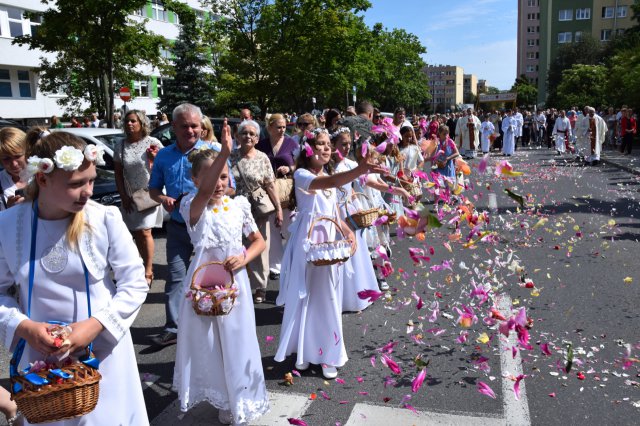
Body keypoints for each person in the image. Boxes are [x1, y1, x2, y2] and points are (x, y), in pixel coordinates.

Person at [0, 130, 149, 424]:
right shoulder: (8, 224)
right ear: (42, 179)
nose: (89, 191)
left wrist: (94, 326)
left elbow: (134, 283)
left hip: (104, 354)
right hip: (43, 360)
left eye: (91, 180)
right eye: (76, 184)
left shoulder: (104, 218)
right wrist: (24, 326)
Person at [173, 123, 269, 425]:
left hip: (233, 283)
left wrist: (243, 259)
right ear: (196, 179)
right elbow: (204, 192)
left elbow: (258, 242)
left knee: (237, 338)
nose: (218, 183)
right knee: (208, 344)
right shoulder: (190, 204)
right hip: (202, 285)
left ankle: (241, 396)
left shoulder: (238, 205)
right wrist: (225, 153)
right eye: (212, 176)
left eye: (224, 176)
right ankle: (221, 395)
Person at [275, 128, 384, 379]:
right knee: (306, 297)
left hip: (330, 241)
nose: (325, 149)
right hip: (308, 240)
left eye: (327, 145)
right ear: (308, 150)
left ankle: (328, 355)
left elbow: (335, 210)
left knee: (328, 298)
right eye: (320, 144)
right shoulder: (301, 174)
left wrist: (347, 232)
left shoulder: (329, 175)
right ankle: (304, 352)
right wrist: (360, 170)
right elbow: (332, 184)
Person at [149, 103, 235, 346]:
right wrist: (162, 198)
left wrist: (208, 194)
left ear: (201, 126)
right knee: (176, 277)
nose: (190, 131)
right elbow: (154, 188)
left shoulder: (214, 152)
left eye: (194, 126)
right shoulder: (164, 155)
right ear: (174, 127)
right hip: (177, 227)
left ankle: (210, 318)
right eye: (184, 126)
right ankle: (173, 328)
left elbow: (231, 187)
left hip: (206, 228)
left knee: (210, 277)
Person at [231, 120, 282, 303]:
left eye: (252, 134)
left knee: (260, 248)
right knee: (237, 246)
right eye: (244, 133)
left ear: (257, 138)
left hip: (259, 210)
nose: (248, 136)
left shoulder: (262, 158)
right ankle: (239, 283)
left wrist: (278, 210)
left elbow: (270, 184)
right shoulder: (230, 157)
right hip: (235, 209)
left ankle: (260, 287)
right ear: (237, 136)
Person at [330, 127, 380, 311]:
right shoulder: (327, 167)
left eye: (349, 144)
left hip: (348, 210)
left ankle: (355, 295)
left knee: (354, 252)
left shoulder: (350, 165)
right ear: (333, 144)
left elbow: (359, 185)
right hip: (334, 213)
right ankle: (338, 296)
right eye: (342, 144)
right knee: (337, 253)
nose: (346, 147)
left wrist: (356, 203)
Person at [114, 110, 164, 287]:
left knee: (145, 231)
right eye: (127, 121)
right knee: (136, 234)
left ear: (142, 123)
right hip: (131, 195)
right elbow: (118, 175)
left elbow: (164, 167)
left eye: (133, 121)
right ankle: (141, 265)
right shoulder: (120, 146)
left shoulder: (153, 142)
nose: (129, 124)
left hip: (150, 193)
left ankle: (148, 270)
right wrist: (124, 197)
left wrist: (154, 159)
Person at [256, 113, 298, 281]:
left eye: (284, 127)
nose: (282, 130)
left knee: (290, 228)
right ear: (269, 127)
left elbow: (301, 163)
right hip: (267, 193)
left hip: (286, 192)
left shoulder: (291, 143)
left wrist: (290, 169)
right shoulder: (261, 145)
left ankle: (292, 261)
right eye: (278, 127)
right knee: (272, 231)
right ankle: (276, 266)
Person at [0, 127, 28, 211]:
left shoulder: (43, 175)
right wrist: (9, 211)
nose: (14, 164)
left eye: (18, 156)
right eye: (6, 158)